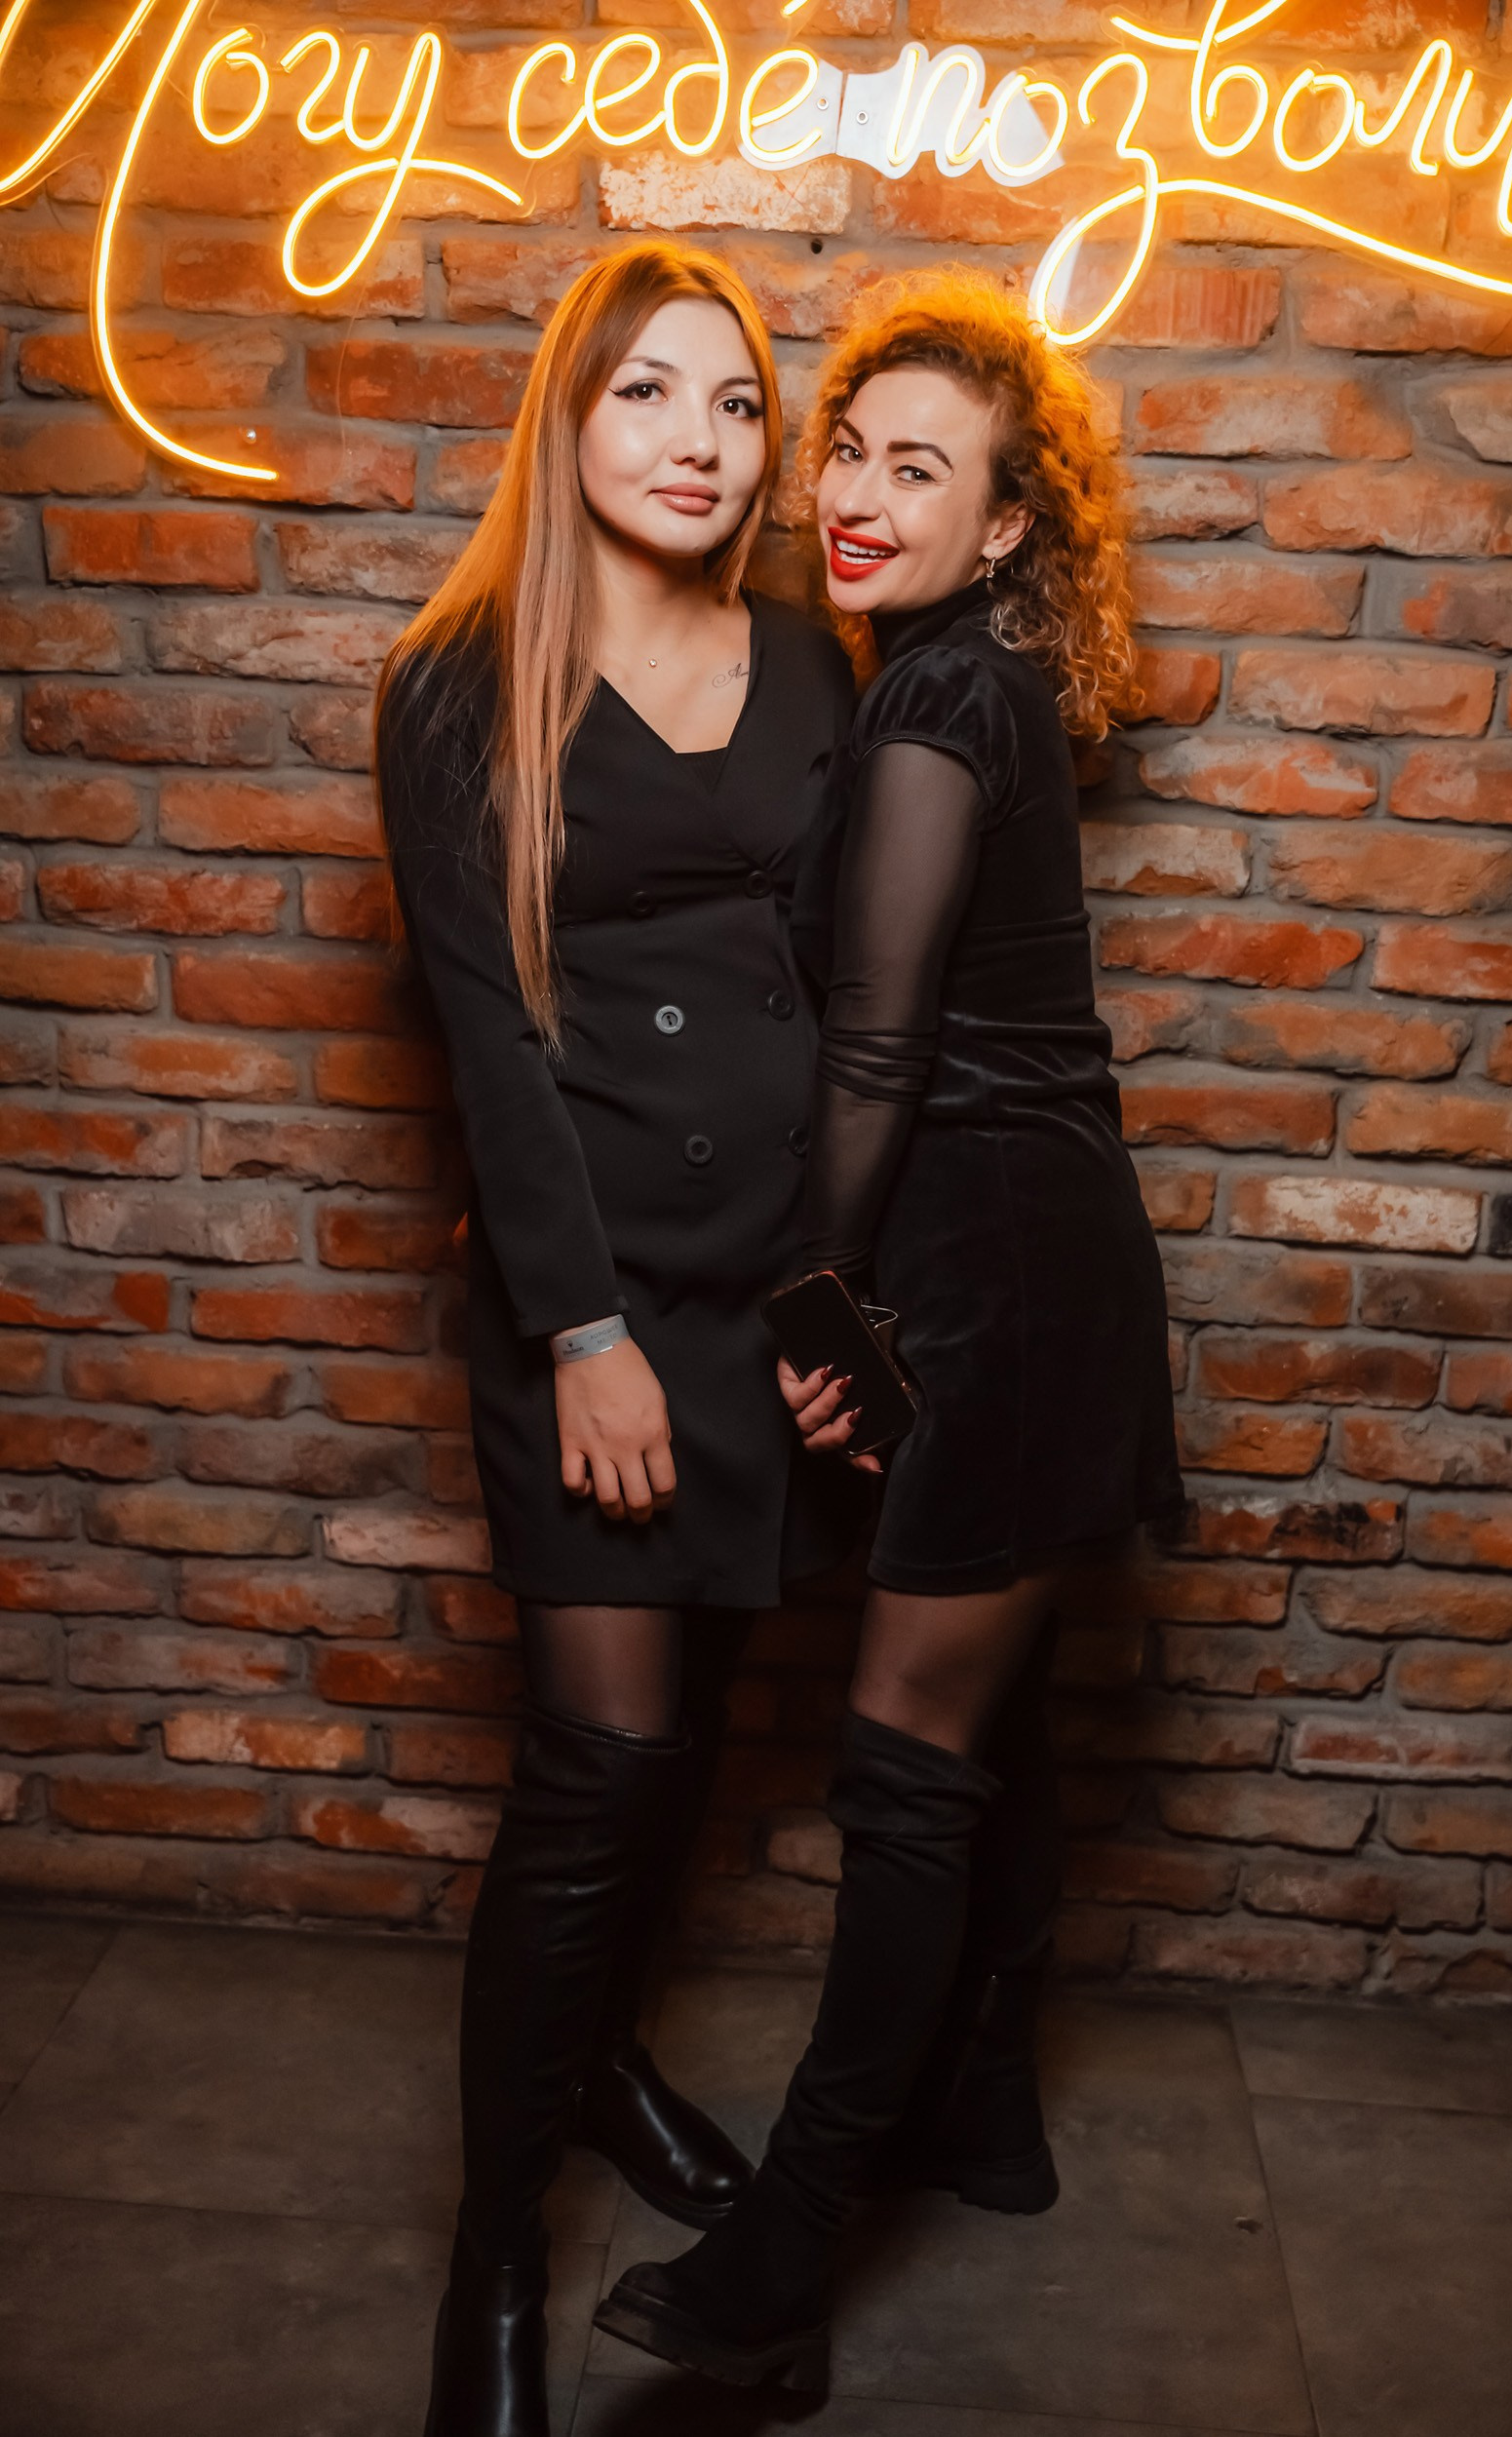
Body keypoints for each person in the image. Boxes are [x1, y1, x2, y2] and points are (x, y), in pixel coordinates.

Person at [596, 268, 1184, 2392]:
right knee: (983, 1722)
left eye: (917, 470)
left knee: (908, 1756)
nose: (851, 493)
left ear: (1007, 524)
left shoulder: (939, 708)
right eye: (845, 449)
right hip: (1024, 1254)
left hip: (999, 1270)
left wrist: (810, 1303)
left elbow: (879, 1046)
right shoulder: (956, 684)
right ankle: (987, 2114)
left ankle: (788, 2258)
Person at [375, 240, 862, 2437]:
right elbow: (488, 1039)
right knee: (599, 1763)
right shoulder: (458, 681)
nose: (701, 441)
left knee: (697, 1733)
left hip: (769, 1294)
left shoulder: (812, 663)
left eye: (739, 404)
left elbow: (863, 994)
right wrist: (580, 1328)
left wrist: (848, 1302)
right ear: (570, 416)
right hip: (596, 1297)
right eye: (650, 392)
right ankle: (494, 2250)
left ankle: (602, 2062)